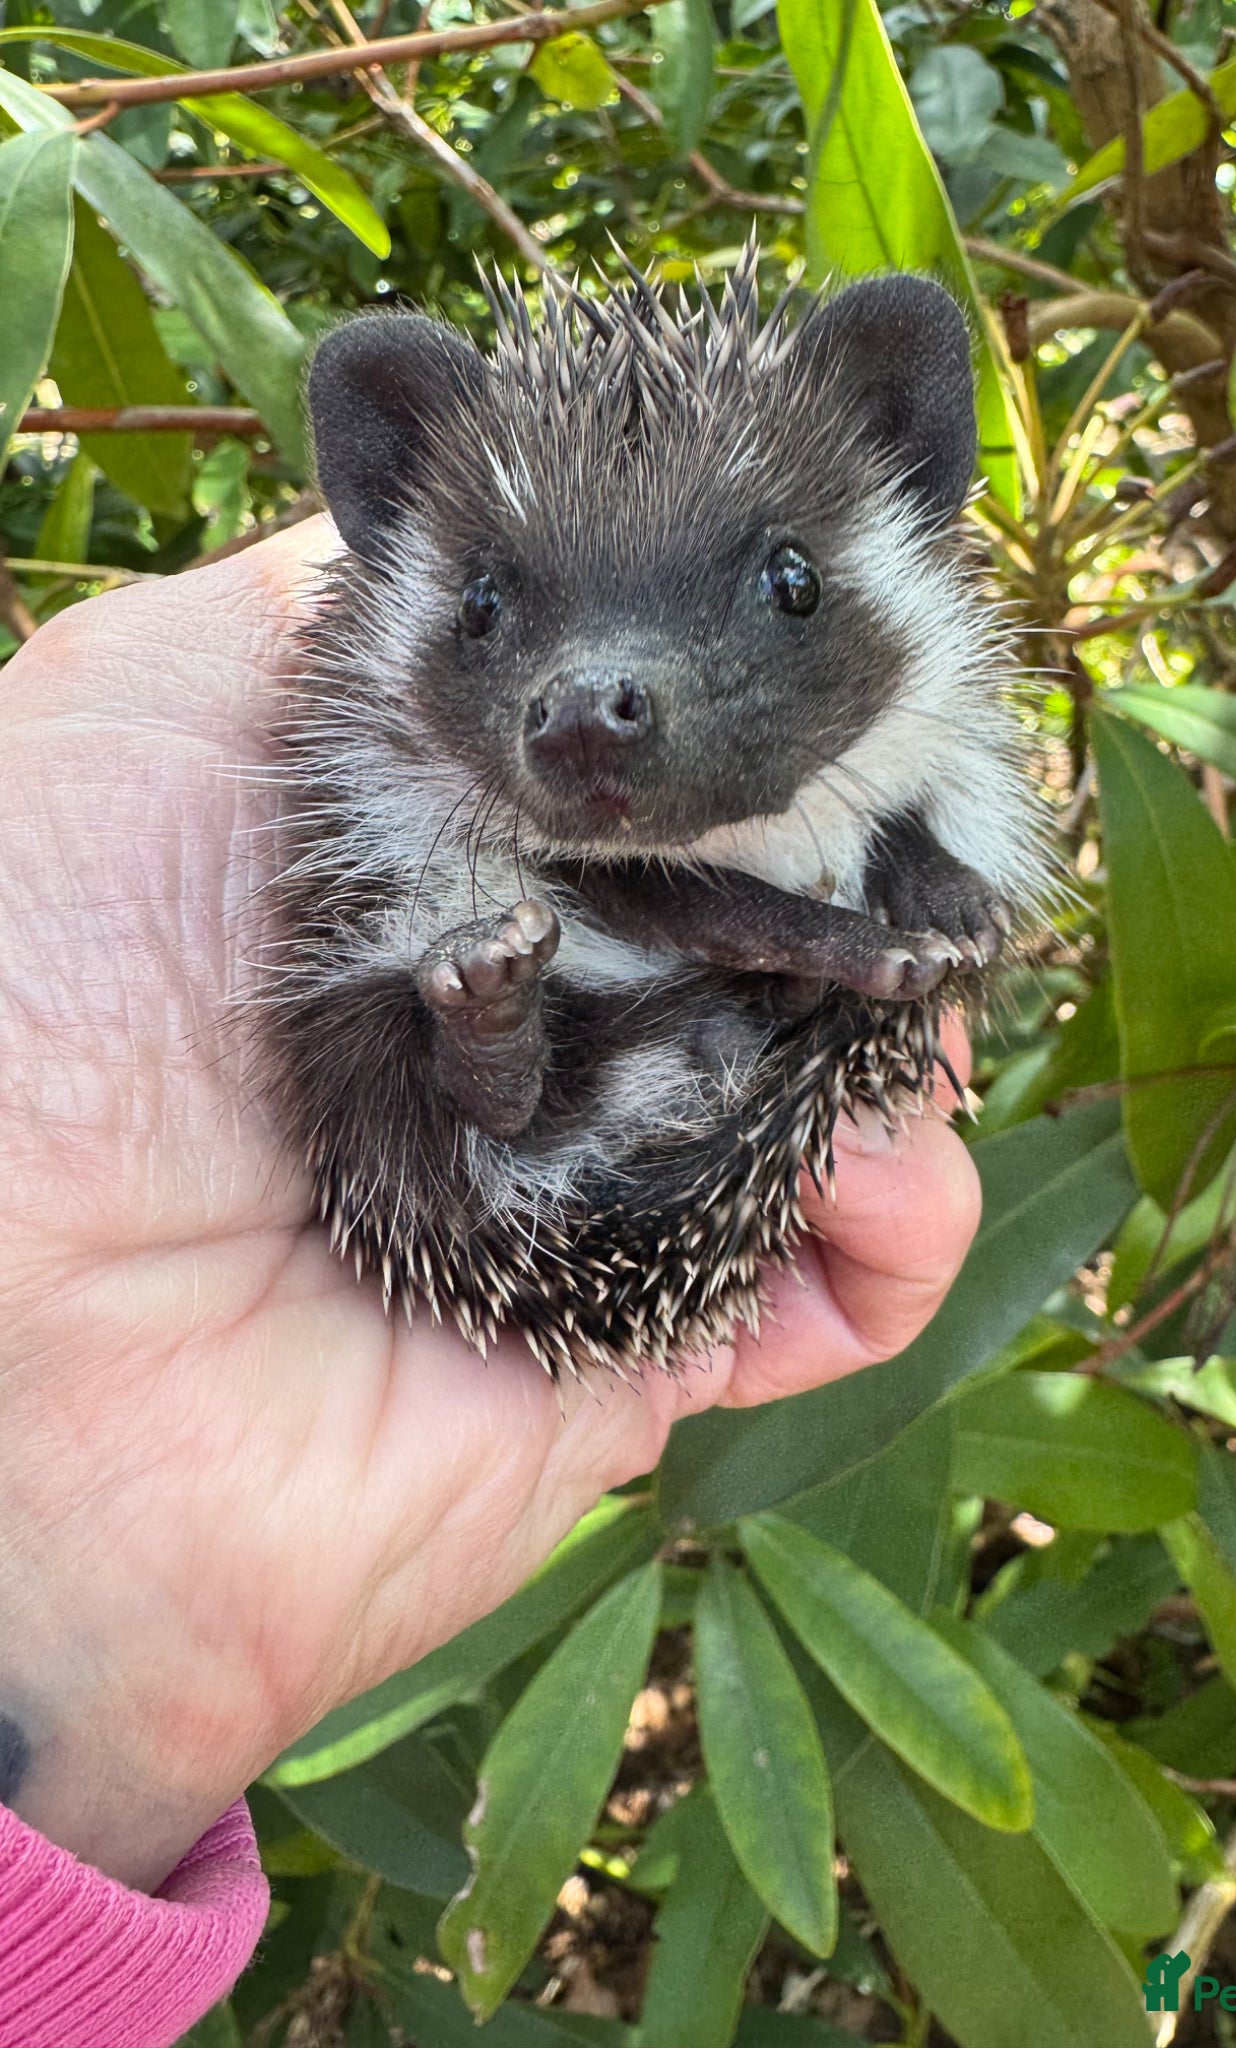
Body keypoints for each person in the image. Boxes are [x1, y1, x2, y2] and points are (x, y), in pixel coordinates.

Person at [0, 520, 982, 2048]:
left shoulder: (909, 741)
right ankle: (496, 1045)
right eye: (486, 605)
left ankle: (515, 1041)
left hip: (611, 1081)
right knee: (407, 972)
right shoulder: (381, 746)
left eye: (782, 586)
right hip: (459, 1109)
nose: (604, 691)